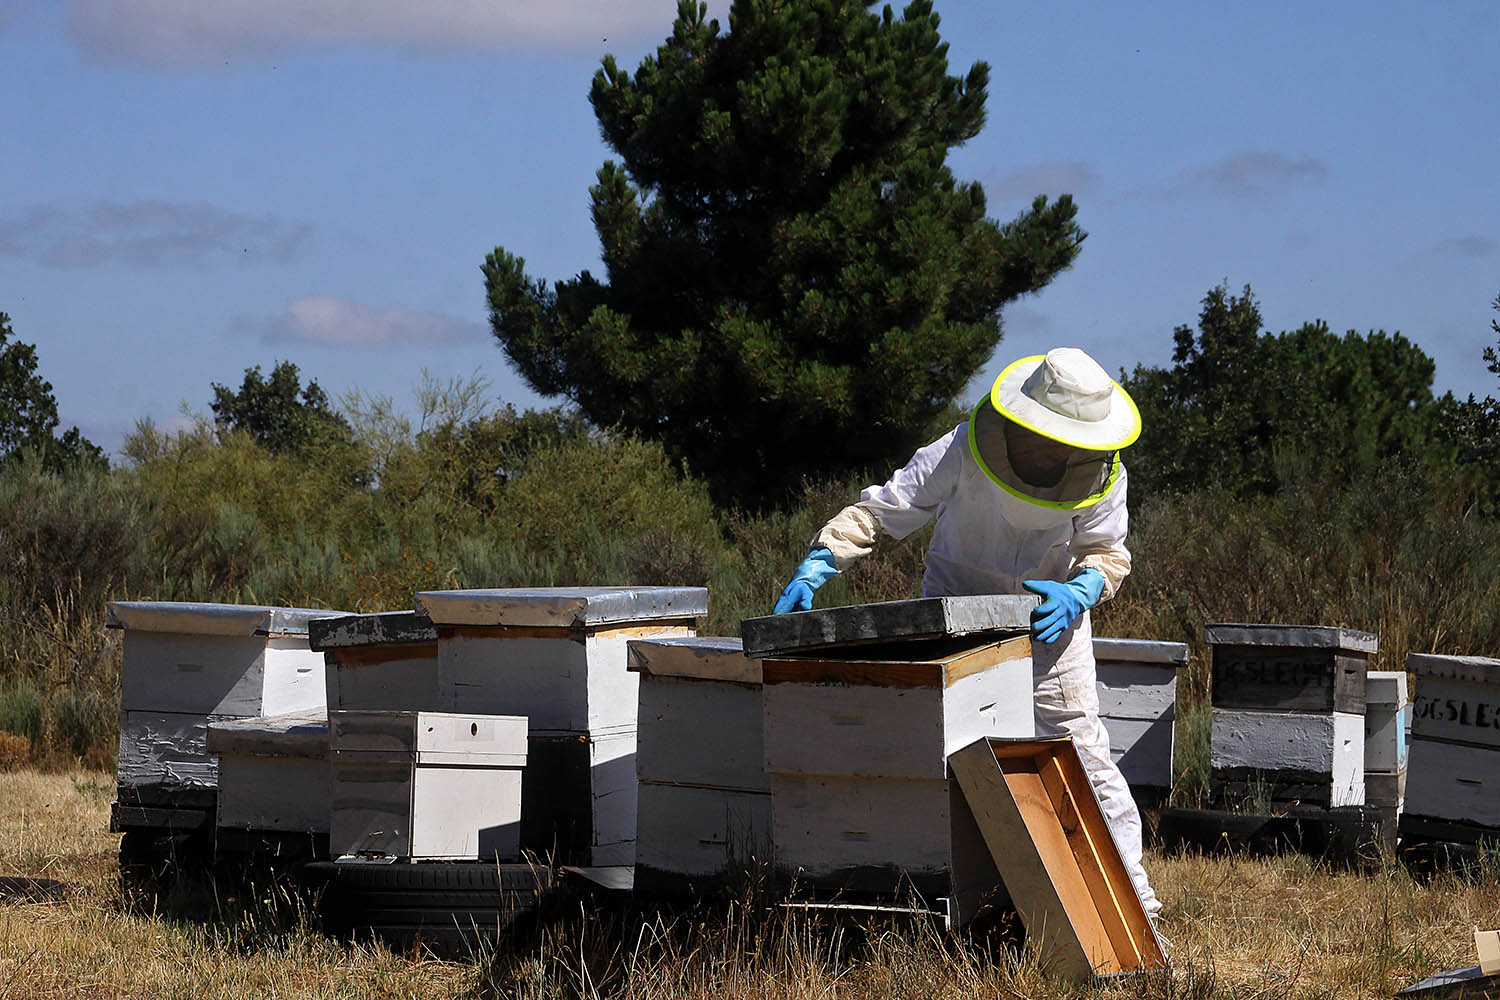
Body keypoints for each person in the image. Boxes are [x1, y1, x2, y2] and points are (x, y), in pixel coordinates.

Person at [772, 346, 1161, 917]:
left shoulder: (1103, 474)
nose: (1057, 452)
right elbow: (886, 509)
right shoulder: (963, 447)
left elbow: (1107, 553)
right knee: (940, 756)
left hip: (1049, 627)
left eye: (1071, 443)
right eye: (1050, 438)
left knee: (1083, 757)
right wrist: (823, 558)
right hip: (953, 620)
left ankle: (1135, 904)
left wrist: (1080, 590)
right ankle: (946, 896)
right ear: (1026, 419)